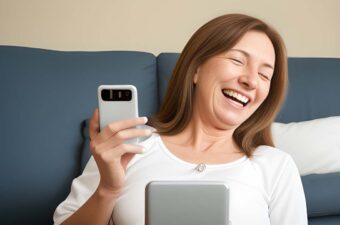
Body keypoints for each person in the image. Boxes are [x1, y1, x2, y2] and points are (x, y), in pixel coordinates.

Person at [53, 13, 308, 225]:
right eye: (237, 60)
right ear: (196, 68)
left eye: (265, 76)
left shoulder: (276, 166)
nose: (251, 81)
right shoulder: (127, 145)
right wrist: (108, 190)